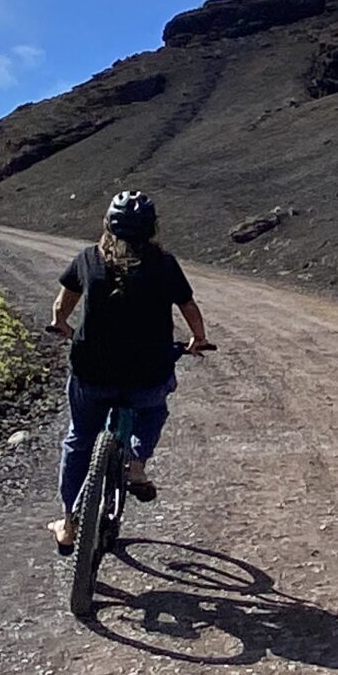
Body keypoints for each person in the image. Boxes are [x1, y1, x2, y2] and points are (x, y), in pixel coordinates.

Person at [47, 190, 211, 554]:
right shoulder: (165, 264)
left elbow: (62, 305)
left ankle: (69, 522)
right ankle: (136, 464)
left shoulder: (89, 259)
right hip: (147, 373)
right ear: (152, 228)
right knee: (154, 409)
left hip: (93, 373)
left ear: (108, 225)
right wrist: (197, 339)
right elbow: (188, 306)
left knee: (78, 439)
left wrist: (61, 325)